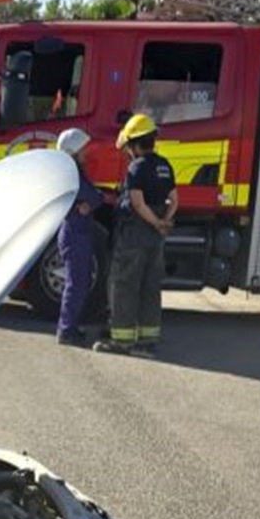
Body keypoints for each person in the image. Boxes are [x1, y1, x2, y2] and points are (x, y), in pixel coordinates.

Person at [96, 113, 176, 357]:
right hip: (156, 238)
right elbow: (174, 199)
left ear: (134, 144)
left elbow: (138, 204)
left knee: (125, 284)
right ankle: (147, 342)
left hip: (136, 234)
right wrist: (165, 221)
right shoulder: (165, 165)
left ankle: (121, 341)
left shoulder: (136, 167)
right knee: (150, 286)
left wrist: (155, 222)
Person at [53, 128, 104, 348]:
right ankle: (66, 330)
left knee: (79, 282)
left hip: (77, 231)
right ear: (73, 151)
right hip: (75, 233)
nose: (86, 152)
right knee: (76, 283)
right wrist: (95, 199)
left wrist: (93, 200)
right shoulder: (72, 172)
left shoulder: (73, 170)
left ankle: (69, 327)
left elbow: (92, 199)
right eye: (83, 148)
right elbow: (91, 196)